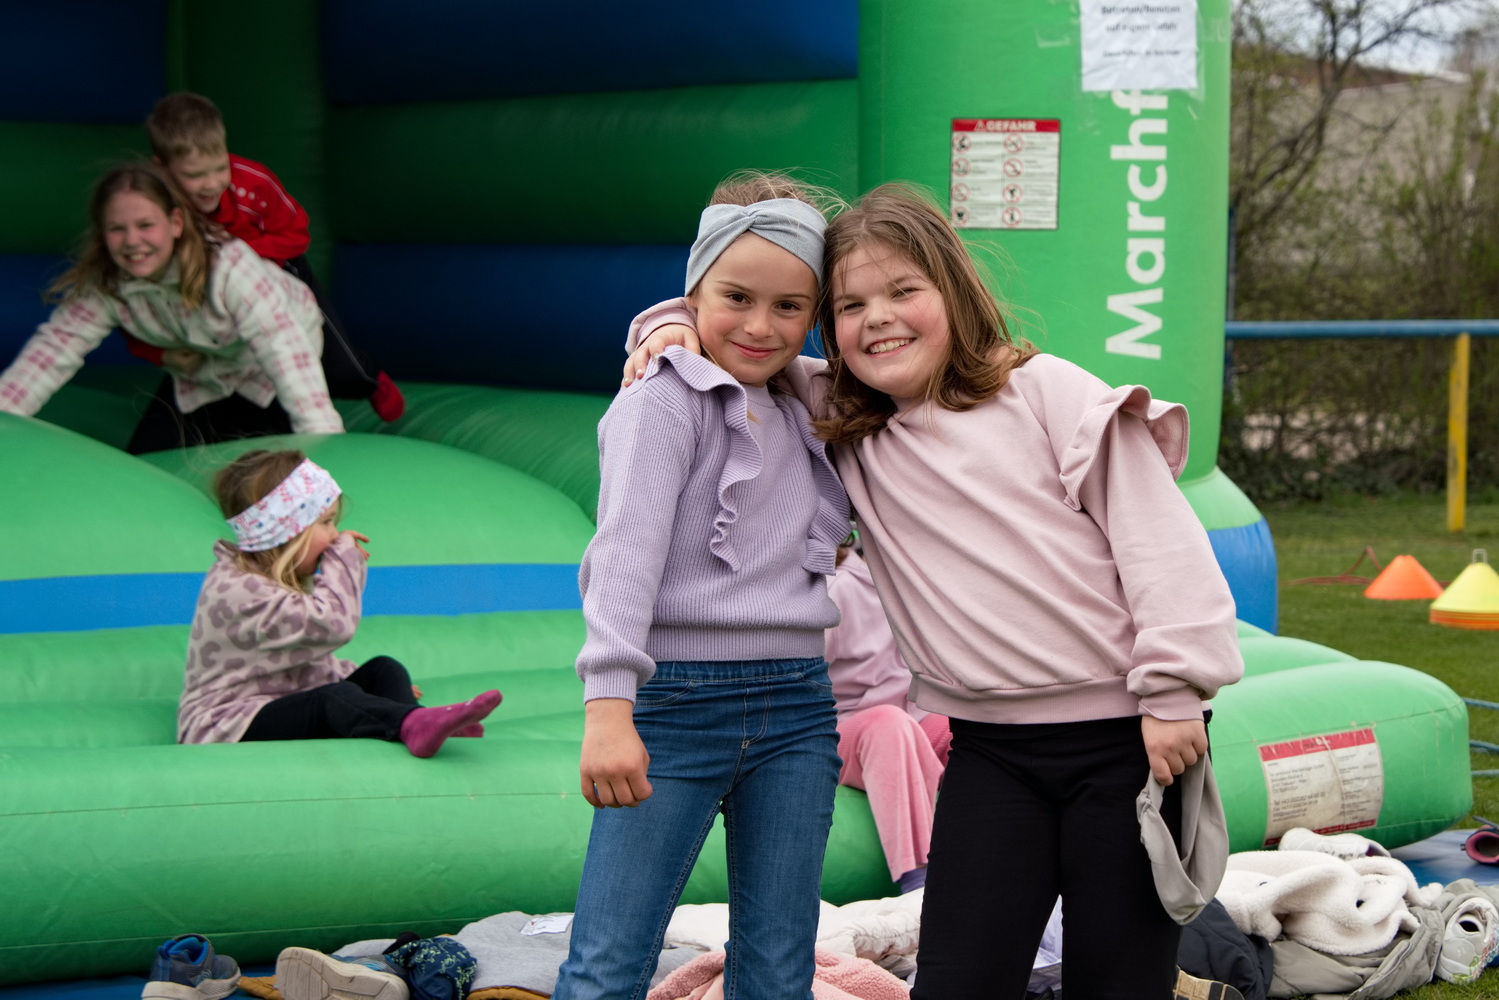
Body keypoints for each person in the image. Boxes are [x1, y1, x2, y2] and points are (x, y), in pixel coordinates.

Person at [625, 183, 1245, 1000]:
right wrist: (665, 324)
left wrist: (1172, 690)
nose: (878, 317)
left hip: (1124, 739)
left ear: (952, 290)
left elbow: (1157, 539)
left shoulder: (1044, 391)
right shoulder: (844, 420)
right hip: (989, 753)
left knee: (1117, 979)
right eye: (851, 305)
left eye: (902, 291)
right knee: (956, 980)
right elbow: (743, 336)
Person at [551, 174, 851, 1000]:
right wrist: (608, 707)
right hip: (675, 703)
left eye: (788, 307)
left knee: (779, 965)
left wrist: (668, 317)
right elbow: (624, 555)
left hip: (797, 707)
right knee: (610, 960)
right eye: (735, 298)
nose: (759, 326)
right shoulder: (662, 399)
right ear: (695, 293)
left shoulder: (808, 398)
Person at [0, 162, 343, 453]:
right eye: (117, 229)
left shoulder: (229, 267)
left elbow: (283, 346)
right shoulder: (109, 283)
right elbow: (55, 348)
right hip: (206, 371)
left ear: (176, 223)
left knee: (268, 471)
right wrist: (5, 414)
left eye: (145, 225)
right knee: (148, 465)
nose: (132, 241)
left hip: (269, 369)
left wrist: (322, 438)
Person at [178, 448, 501, 756]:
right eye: (325, 522)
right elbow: (333, 625)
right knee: (333, 698)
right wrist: (343, 563)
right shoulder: (241, 590)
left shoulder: (264, 577)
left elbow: (294, 655)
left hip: (278, 701)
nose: (335, 535)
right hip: (228, 724)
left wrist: (370, 690)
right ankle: (408, 722)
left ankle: (414, 720)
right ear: (286, 530)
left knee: (383, 670)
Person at [141, 92, 404, 421]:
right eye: (194, 175)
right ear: (161, 169)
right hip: (213, 291)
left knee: (340, 370)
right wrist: (159, 352)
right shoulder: (152, 207)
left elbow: (297, 234)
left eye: (220, 168)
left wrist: (244, 257)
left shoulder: (253, 184)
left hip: (280, 270)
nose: (211, 184)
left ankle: (368, 377)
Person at [825, 536, 949, 895]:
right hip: (842, 732)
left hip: (910, 720)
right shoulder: (835, 589)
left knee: (962, 728)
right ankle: (918, 880)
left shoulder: (908, 582)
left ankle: (998, 862)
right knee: (890, 725)